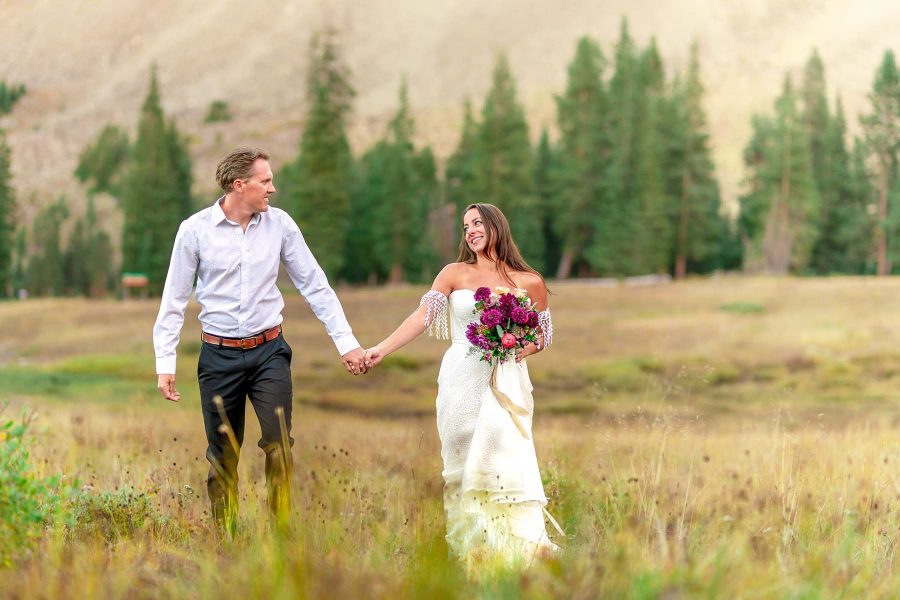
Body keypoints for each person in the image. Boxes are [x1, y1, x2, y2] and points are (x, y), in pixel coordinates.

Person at [153, 147, 370, 526]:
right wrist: (164, 363)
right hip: (218, 358)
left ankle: (280, 535)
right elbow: (173, 298)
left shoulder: (281, 225)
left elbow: (315, 285)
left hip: (269, 351)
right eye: (265, 181)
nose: (273, 188)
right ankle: (227, 541)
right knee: (223, 454)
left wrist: (346, 341)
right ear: (240, 185)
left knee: (279, 446)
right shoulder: (194, 231)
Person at [365, 203, 562, 568]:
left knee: (502, 454)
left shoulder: (528, 280)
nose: (470, 230)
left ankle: (516, 551)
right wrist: (381, 349)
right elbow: (423, 316)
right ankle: (471, 550)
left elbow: (541, 335)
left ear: (496, 226)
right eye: (465, 226)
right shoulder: (454, 273)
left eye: (477, 223)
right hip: (461, 374)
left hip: (505, 379)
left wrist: (514, 348)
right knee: (460, 455)